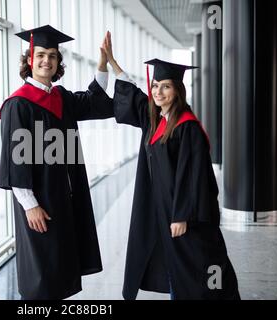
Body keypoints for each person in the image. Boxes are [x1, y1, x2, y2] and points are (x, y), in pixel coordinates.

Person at [101, 31, 240, 300]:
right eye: (155, 86)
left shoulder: (187, 127)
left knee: (197, 269)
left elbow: (194, 176)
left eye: (166, 86)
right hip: (163, 211)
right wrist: (112, 63)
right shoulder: (157, 120)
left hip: (184, 217)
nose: (158, 91)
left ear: (178, 90)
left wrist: (181, 215)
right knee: (177, 268)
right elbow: (136, 97)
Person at [0, 25, 114, 300]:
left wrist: (102, 64)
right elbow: (17, 161)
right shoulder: (19, 104)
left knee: (59, 267)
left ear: (58, 62)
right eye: (40, 55)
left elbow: (93, 101)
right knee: (42, 273)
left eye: (52, 55)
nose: (46, 61)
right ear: (29, 60)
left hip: (64, 197)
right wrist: (30, 205)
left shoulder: (60, 98)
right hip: (40, 201)